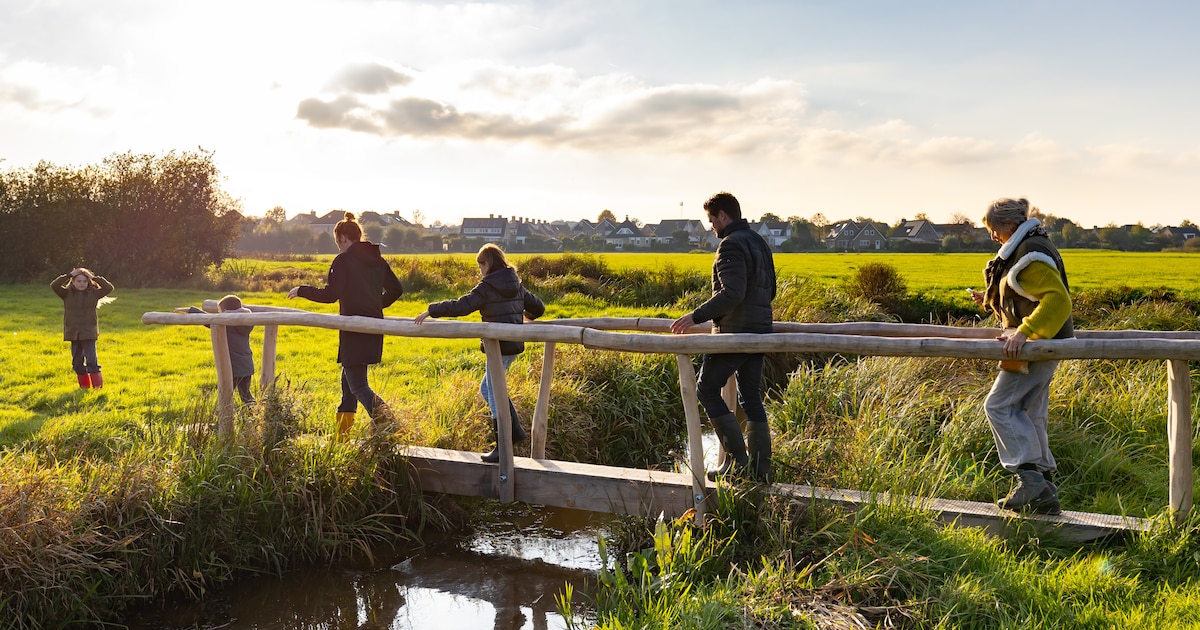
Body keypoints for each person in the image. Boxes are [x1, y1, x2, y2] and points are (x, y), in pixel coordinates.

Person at [968, 197, 1073, 515]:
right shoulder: (1029, 246)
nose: (992, 236)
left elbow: (1058, 301)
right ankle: (1044, 489)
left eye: (994, 229)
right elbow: (1022, 293)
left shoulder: (1030, 255)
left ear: (1010, 226)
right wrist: (987, 299)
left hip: (1033, 348)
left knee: (998, 407)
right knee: (1030, 414)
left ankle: (1030, 481)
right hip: (1041, 346)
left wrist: (1024, 332)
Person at [670, 192, 777, 482]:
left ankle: (738, 463)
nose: (711, 227)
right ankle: (759, 471)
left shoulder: (730, 245)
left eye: (712, 219)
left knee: (706, 389)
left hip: (734, 332)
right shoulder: (760, 242)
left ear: (723, 216)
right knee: (751, 396)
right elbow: (771, 292)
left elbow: (732, 293)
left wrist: (695, 317)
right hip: (761, 331)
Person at [414, 243, 546, 463]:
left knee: (491, 390)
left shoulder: (487, 286)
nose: (480, 271)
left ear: (488, 263)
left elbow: (461, 306)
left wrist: (431, 309)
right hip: (512, 345)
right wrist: (523, 316)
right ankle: (513, 433)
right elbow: (539, 308)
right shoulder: (516, 284)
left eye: (480, 266)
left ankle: (504, 443)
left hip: (497, 347)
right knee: (490, 388)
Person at [288, 212, 405, 439]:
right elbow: (396, 290)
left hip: (353, 329)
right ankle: (342, 438)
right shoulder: (377, 259)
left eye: (337, 242)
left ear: (342, 237)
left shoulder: (343, 261)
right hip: (371, 328)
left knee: (359, 386)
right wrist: (374, 308)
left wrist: (301, 290)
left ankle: (393, 427)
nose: (337, 247)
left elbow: (331, 295)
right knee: (349, 386)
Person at [175, 294, 256, 405]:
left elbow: (209, 320)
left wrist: (190, 310)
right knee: (246, 395)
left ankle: (224, 419)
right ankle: (257, 415)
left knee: (225, 395)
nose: (219, 314)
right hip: (246, 365)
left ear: (226, 311)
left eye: (220, 311)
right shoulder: (246, 320)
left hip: (232, 367)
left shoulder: (226, 322)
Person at [51, 267, 115, 389]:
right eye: (78, 281)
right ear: (73, 282)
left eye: (85, 281)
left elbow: (109, 288)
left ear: (88, 282)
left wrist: (93, 277)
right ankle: (84, 388)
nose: (82, 284)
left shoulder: (94, 293)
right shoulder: (66, 294)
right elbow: (54, 285)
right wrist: (69, 275)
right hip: (73, 333)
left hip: (89, 333)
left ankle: (98, 389)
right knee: (77, 364)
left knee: (92, 362)